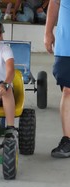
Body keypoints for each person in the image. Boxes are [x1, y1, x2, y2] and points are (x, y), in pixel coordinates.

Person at [44, 0, 70, 158]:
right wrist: (48, 32)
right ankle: (68, 140)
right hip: (66, 43)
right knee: (67, 90)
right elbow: (55, 2)